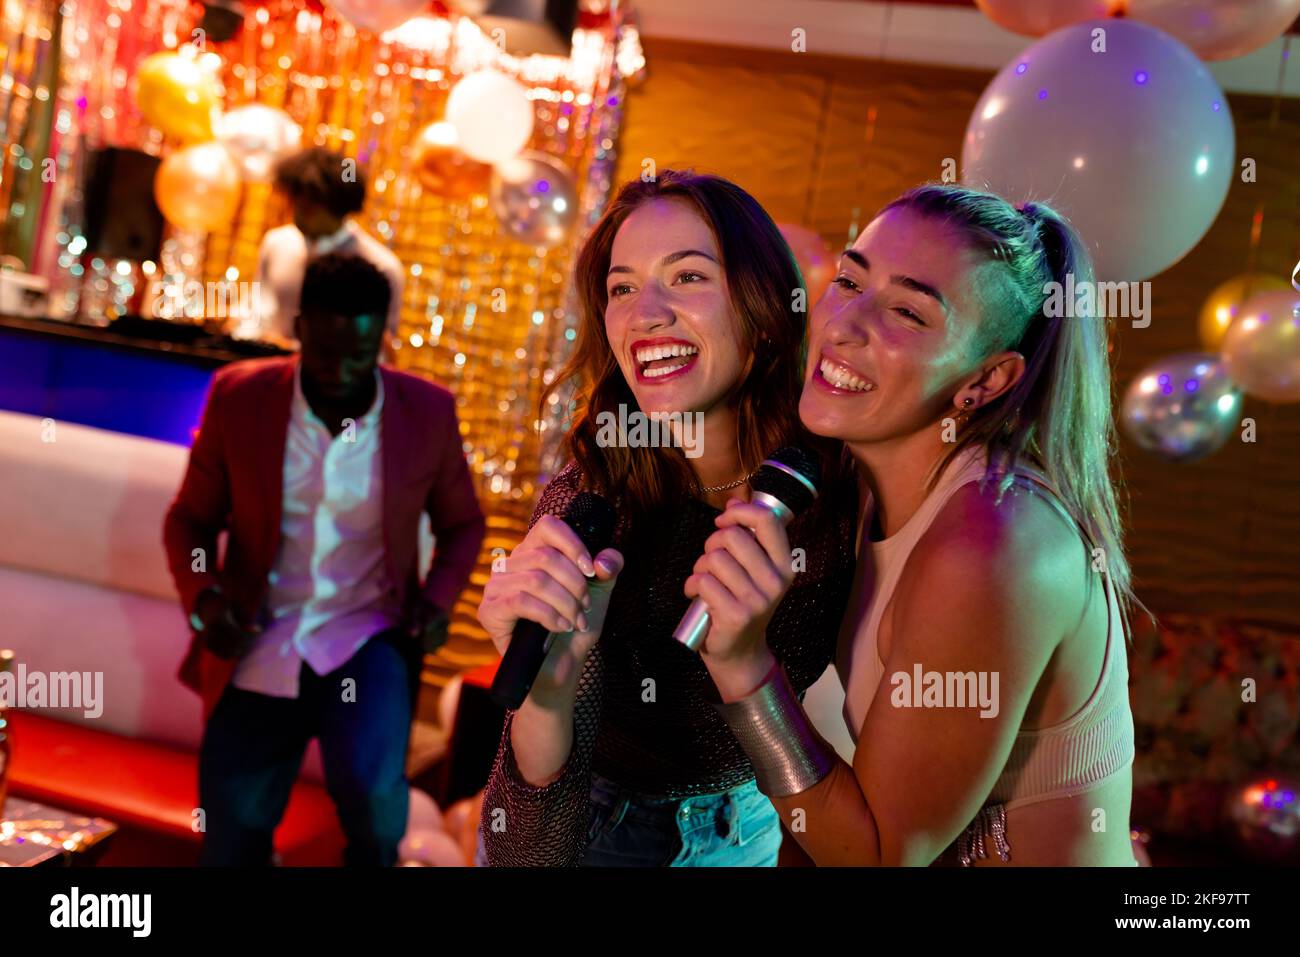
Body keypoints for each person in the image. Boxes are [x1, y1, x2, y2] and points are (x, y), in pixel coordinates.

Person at [692, 183, 1140, 866]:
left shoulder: (994, 544)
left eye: (907, 310)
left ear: (986, 381)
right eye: (848, 280)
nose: (843, 323)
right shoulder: (852, 480)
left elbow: (877, 857)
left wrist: (743, 664)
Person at [476, 170, 858, 867]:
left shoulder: (834, 496)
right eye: (621, 287)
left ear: (765, 308)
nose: (642, 313)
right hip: (600, 827)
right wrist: (546, 695)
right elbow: (521, 856)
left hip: (750, 829)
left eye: (685, 277)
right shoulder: (591, 504)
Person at [164, 253, 485, 866]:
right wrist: (204, 600)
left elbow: (463, 522)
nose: (341, 372)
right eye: (327, 352)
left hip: (368, 636)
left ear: (381, 338)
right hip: (262, 639)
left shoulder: (427, 412)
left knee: (373, 811)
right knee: (231, 829)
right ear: (300, 325)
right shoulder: (240, 396)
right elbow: (190, 521)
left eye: (359, 356)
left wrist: (439, 600)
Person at [255, 147, 404, 345]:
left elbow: (378, 349)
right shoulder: (277, 243)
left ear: (339, 206)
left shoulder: (381, 266)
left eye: (310, 207)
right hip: (267, 368)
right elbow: (257, 310)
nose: (299, 214)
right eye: (296, 203)